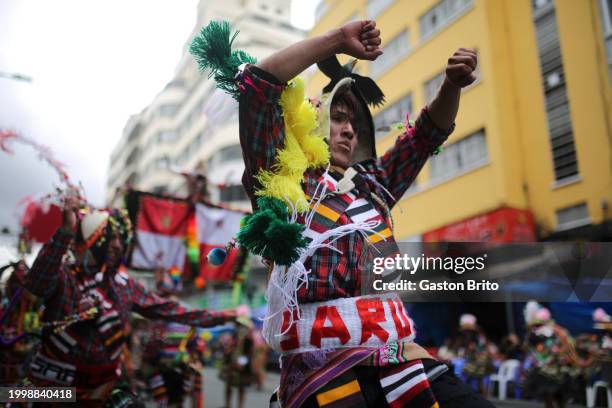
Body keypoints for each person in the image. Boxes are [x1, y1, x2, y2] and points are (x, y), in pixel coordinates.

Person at [191, 19, 490, 407]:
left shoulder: (374, 184)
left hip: (397, 357)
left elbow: (425, 136)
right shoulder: (284, 182)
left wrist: (452, 85)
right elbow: (259, 87)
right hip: (320, 369)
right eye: (337, 118)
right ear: (313, 124)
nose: (349, 129)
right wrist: (335, 40)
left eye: (354, 121)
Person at [21, 196, 241, 406]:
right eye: (110, 237)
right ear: (92, 238)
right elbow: (35, 284)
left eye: (120, 238)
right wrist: (66, 231)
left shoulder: (124, 285)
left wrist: (217, 316)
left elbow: (168, 309)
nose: (117, 245)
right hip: (53, 389)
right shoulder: (64, 275)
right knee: (12, 395)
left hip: (102, 390)